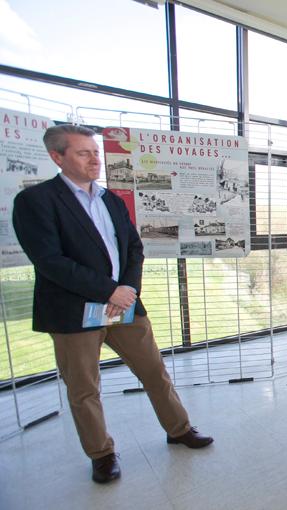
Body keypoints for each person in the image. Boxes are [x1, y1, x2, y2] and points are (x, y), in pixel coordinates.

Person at [12, 125, 213, 485]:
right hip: (73, 312)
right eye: (83, 153)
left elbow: (134, 248)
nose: (95, 159)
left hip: (124, 306)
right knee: (84, 388)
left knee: (154, 370)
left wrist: (128, 290)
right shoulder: (35, 201)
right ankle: (101, 454)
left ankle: (179, 429)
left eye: (95, 151)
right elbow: (49, 260)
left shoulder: (111, 200)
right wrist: (109, 290)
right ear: (57, 157)